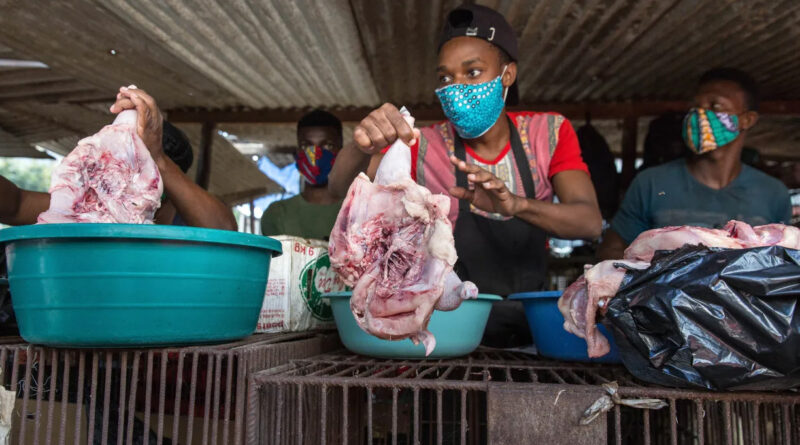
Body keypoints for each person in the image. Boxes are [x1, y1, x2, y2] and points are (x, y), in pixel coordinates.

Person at [329, 4, 602, 348]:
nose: (456, 88)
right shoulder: (422, 144)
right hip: (450, 330)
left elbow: (589, 222)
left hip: (530, 327)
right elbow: (339, 188)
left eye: (472, 73)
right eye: (445, 78)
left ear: (507, 75)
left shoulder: (548, 133)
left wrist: (516, 206)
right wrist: (361, 144)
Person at [598, 68, 793, 260]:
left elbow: (782, 262)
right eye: (695, 107)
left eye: (715, 106)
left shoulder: (773, 193)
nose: (700, 116)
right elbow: (611, 252)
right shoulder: (652, 183)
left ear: (747, 120)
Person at [0, 86, 237, 231]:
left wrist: (158, 158)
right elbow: (16, 205)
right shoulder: (91, 210)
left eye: (138, 169)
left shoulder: (186, 225)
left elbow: (226, 230)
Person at [261, 110, 343, 239]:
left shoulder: (358, 211)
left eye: (328, 145)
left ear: (341, 151)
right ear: (298, 152)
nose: (315, 154)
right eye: (306, 146)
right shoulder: (277, 214)